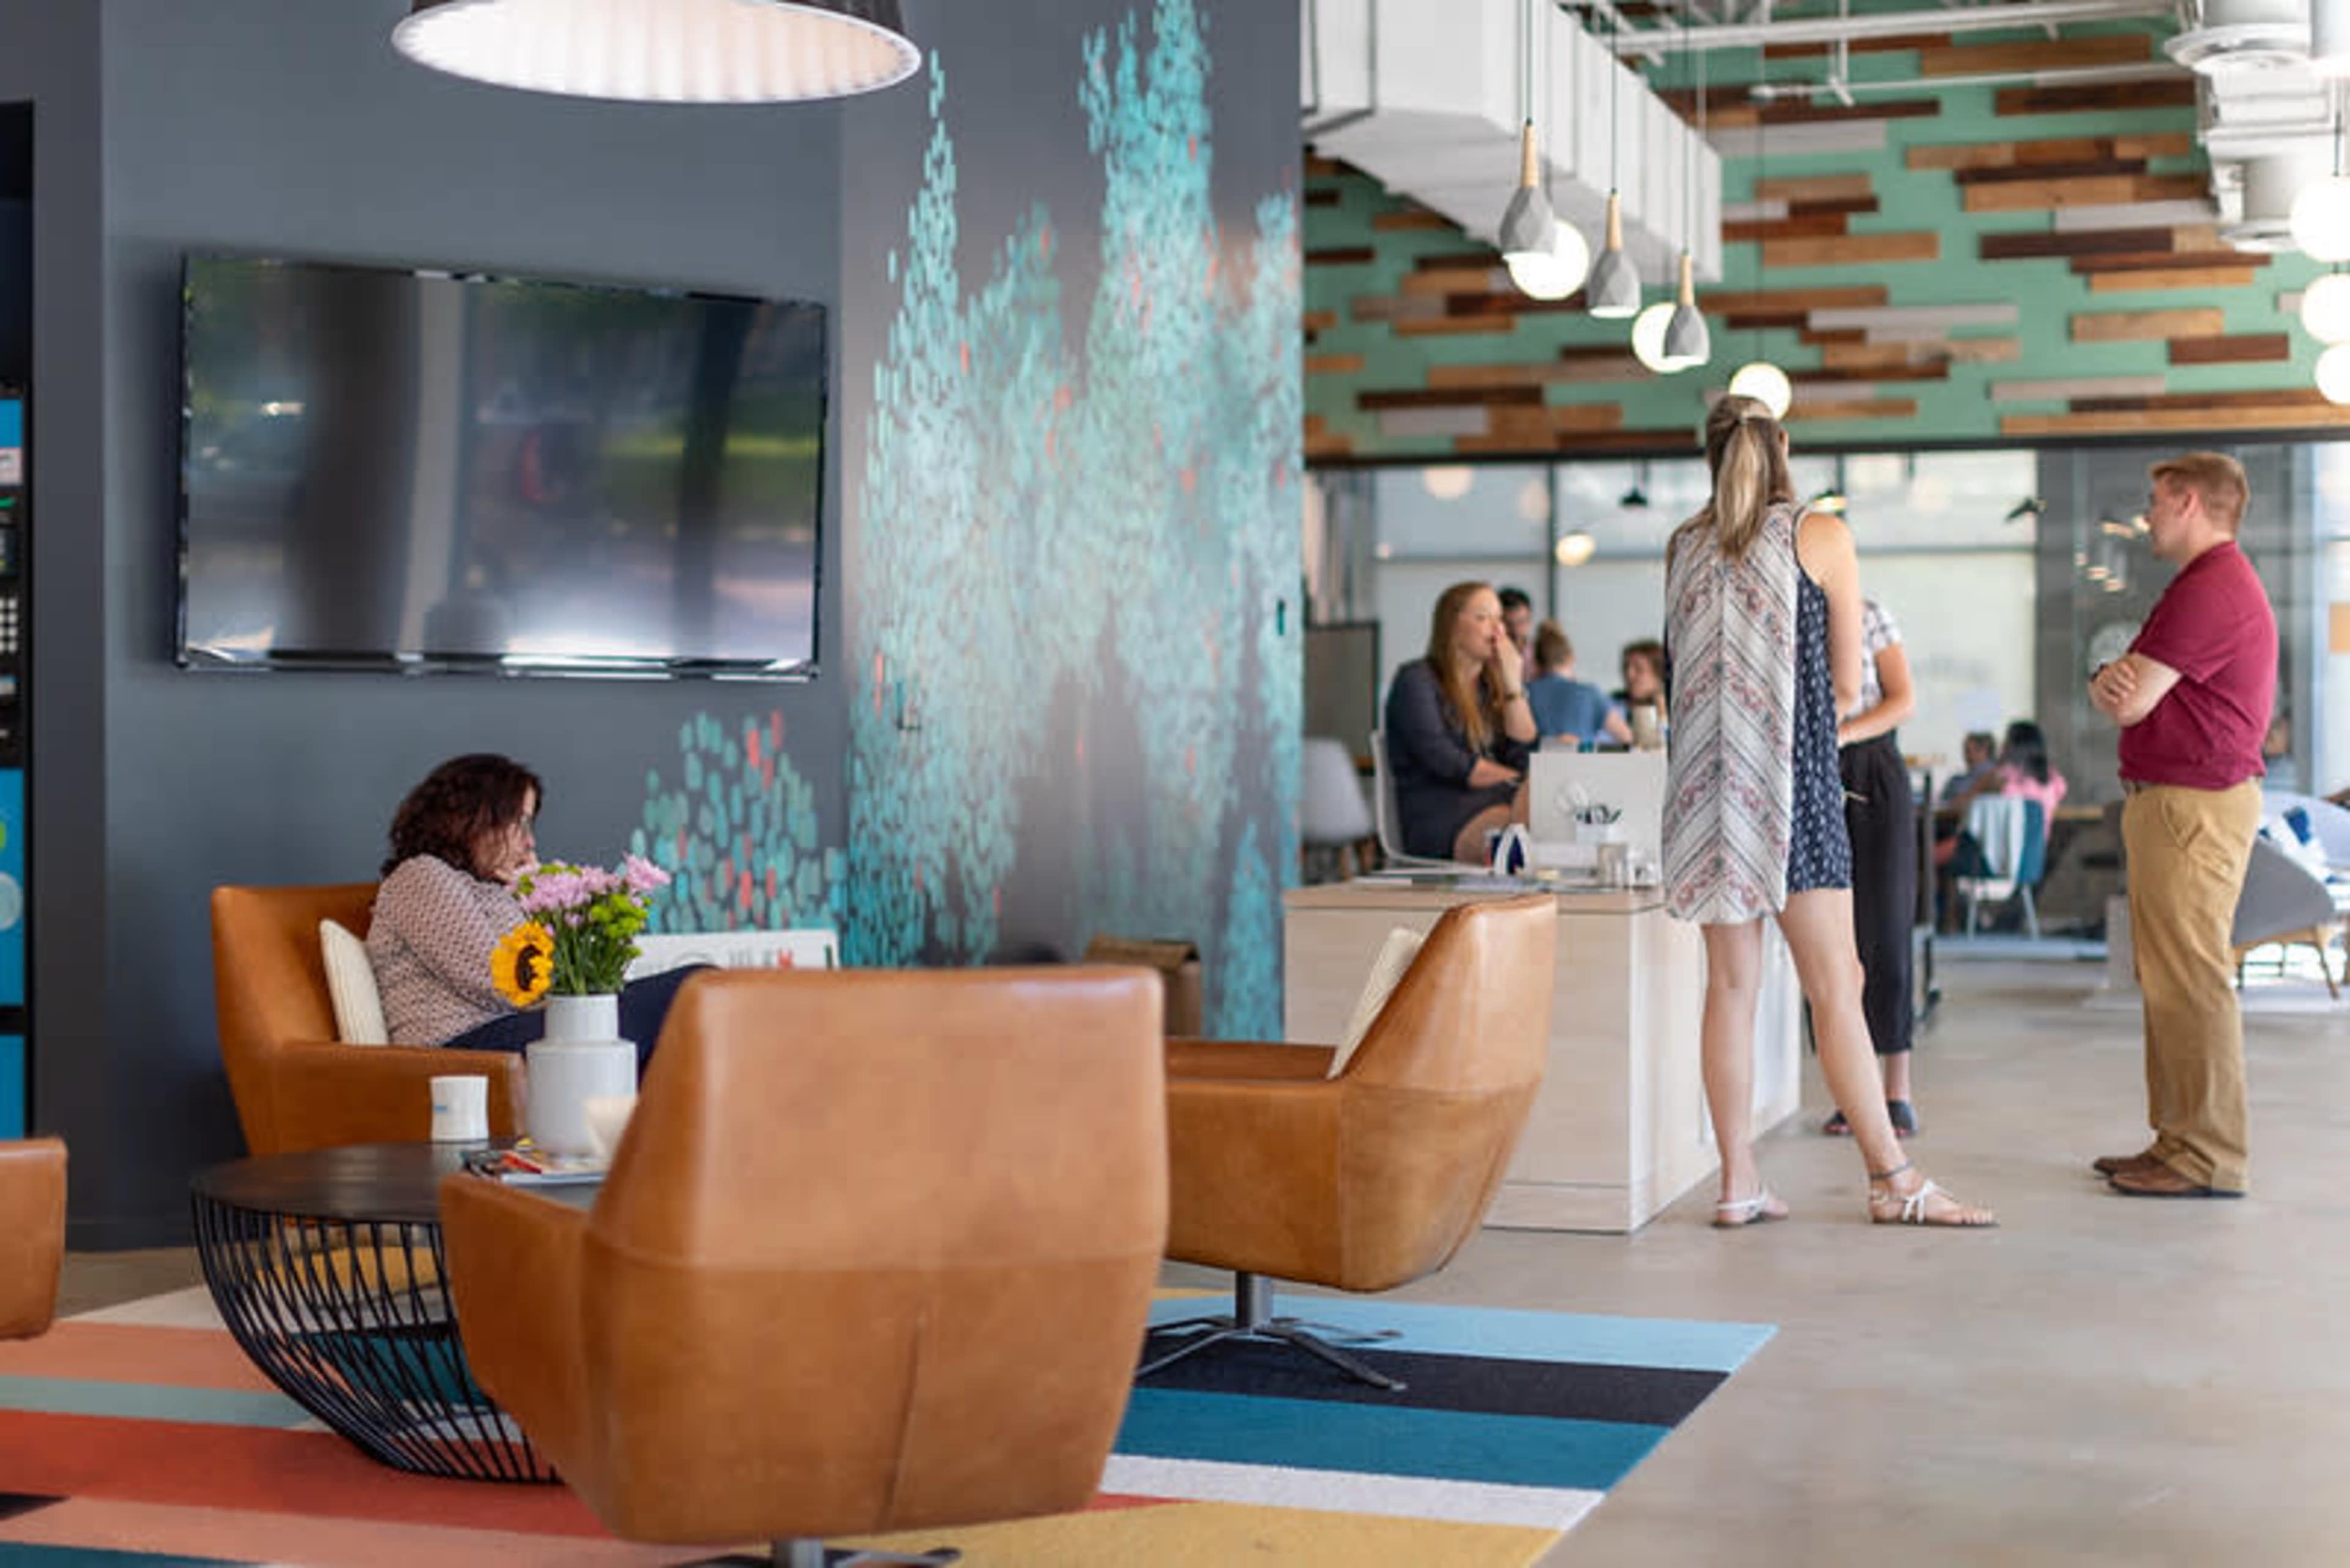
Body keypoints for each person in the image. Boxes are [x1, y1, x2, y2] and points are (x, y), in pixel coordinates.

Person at [1662, 395, 1991, 1229]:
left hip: (1704, 796)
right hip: (1794, 789)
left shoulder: (1683, 546)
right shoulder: (1820, 535)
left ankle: (1737, 1181)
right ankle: (1893, 1177)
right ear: (1782, 447)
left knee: (1729, 987)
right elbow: (1849, 688)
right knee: (1836, 986)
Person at [2088, 452, 2275, 1200]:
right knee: (2170, 980)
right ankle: (2179, 1141)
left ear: (2191, 502)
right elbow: (2121, 683)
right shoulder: (2200, 586)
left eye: (2157, 502)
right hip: (2179, 801)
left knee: (2192, 981)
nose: (2148, 515)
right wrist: (2116, 680)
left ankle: (2208, 1157)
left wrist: (2118, 682)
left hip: (2191, 803)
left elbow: (2128, 697)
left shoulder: (2213, 589)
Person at [366, 753, 700, 1065]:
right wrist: (533, 897)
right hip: (462, 1047)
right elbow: (503, 980)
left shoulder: (494, 888)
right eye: (521, 823)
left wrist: (533, 892)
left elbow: (544, 979)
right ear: (474, 818)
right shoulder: (420, 875)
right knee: (692, 986)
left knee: (689, 1004)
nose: (531, 843)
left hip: (517, 1031)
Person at [1821, 597, 1922, 1138]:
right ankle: (1851, 1092)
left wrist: (1845, 733)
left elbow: (1903, 699)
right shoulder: (1788, 614)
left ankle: (1897, 1090)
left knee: (1887, 931)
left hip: (1874, 767)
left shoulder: (1868, 612)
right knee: (1835, 943)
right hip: (1815, 774)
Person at [1384, 582, 1537, 863]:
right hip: (1441, 817)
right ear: (1451, 625)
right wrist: (1520, 782)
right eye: (1483, 618)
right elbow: (1445, 759)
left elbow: (1525, 757)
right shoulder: (1416, 680)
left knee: (1540, 816)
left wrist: (1513, 685)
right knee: (1531, 829)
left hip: (1499, 805)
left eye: (1499, 619)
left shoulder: (1489, 688)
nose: (1498, 631)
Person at [1526, 620, 1633, 749]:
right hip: (1582, 766)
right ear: (1571, 658)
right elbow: (1627, 738)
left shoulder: (1524, 693)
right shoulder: (1590, 694)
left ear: (1537, 662)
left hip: (1532, 768)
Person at [1618, 638, 1669, 747]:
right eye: (1626, 667)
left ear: (1659, 674)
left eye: (1639, 669)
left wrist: (1662, 712)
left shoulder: (1675, 708)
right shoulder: (1615, 706)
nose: (1629, 675)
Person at [1939, 732, 1998, 804]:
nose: (1971, 756)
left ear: (1987, 751)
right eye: (1967, 751)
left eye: (1977, 750)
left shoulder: (1997, 777)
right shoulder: (1956, 781)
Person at [1497, 585, 1536, 668]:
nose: (1516, 631)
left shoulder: (1541, 656)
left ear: (1530, 620)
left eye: (1521, 622)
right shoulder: (1488, 657)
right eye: (1509, 624)